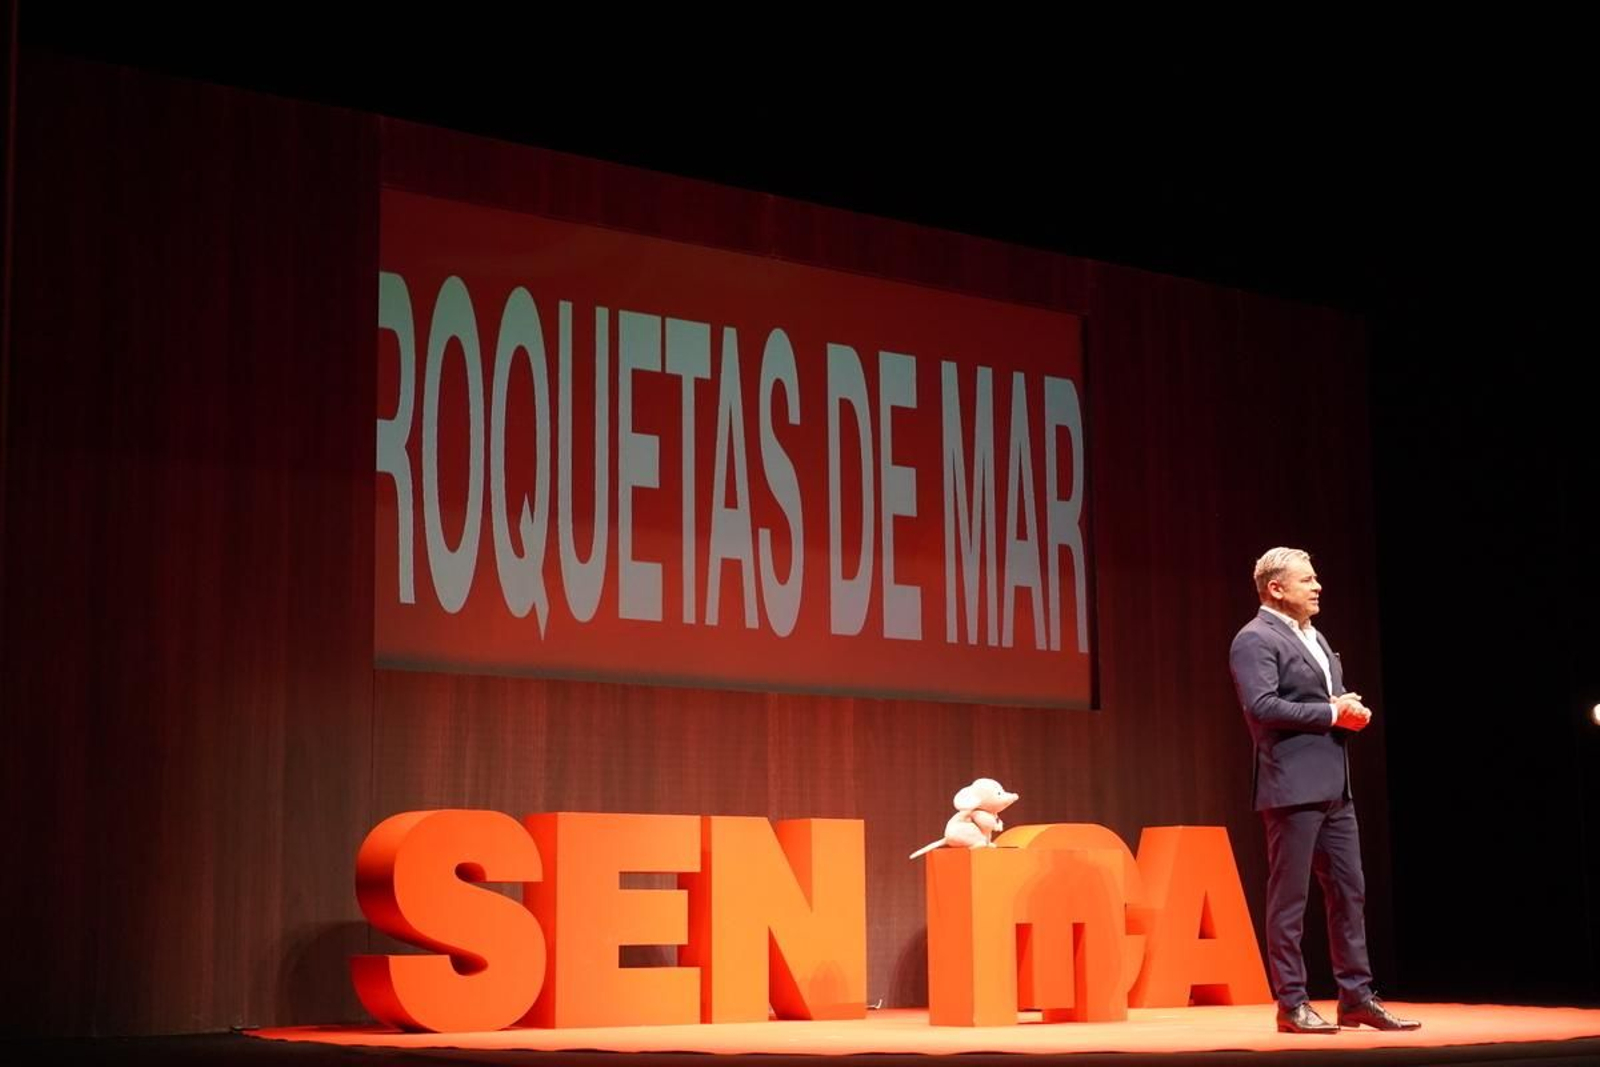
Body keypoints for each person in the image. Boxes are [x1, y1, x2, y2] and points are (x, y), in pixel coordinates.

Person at [1228, 547, 1420, 1034]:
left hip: (1336, 784)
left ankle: (1356, 997)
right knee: (1289, 900)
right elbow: (1261, 706)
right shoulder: (1254, 639)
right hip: (1291, 786)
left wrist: (1342, 705)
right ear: (1276, 588)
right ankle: (1291, 1003)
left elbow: (1315, 699)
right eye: (1307, 580)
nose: (1317, 587)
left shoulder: (1313, 635)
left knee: (1349, 893)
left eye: (1316, 578)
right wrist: (1332, 713)